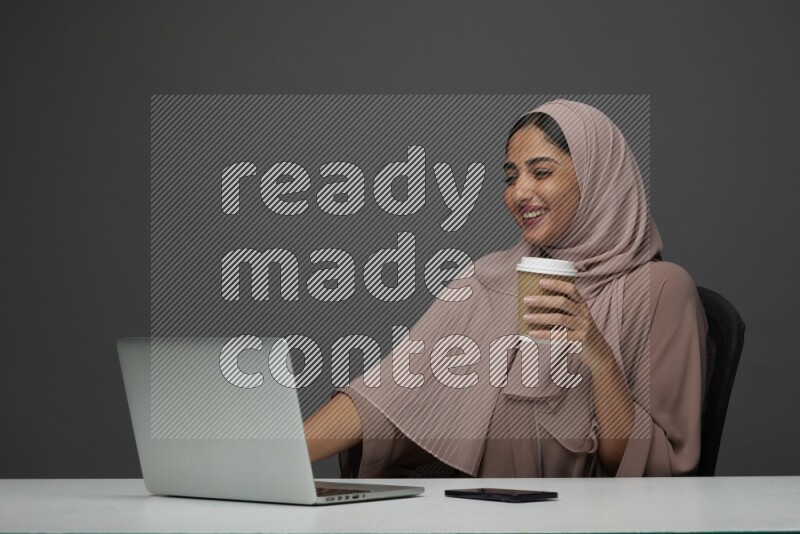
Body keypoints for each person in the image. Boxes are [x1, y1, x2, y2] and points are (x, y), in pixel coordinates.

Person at [303, 99, 708, 478]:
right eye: (511, 177)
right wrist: (273, 454)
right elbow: (385, 396)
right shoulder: (489, 279)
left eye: (542, 172)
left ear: (598, 177)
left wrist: (599, 356)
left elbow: (658, 466)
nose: (518, 193)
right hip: (477, 515)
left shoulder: (660, 290)